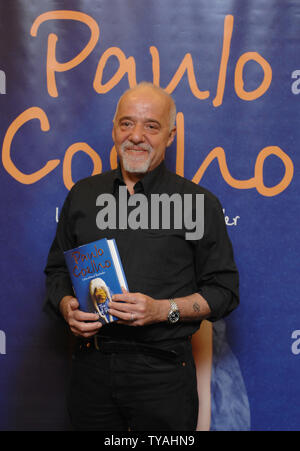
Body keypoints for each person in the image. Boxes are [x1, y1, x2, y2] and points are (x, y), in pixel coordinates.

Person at [44, 82, 239, 431]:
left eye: (151, 125)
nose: (136, 136)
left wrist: (161, 310)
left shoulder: (199, 204)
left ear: (171, 134)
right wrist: (65, 307)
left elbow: (224, 291)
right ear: (114, 130)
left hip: (163, 375)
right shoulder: (83, 196)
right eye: (126, 123)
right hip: (91, 371)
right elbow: (57, 271)